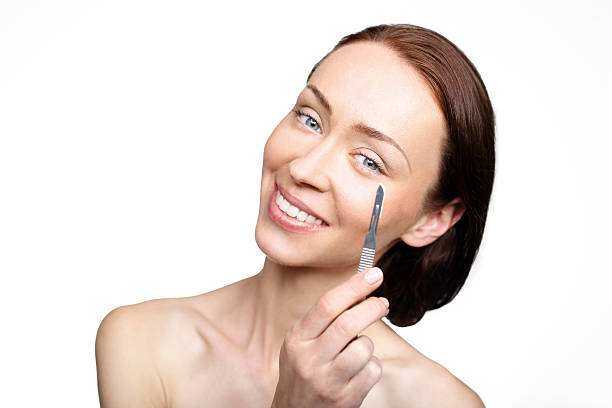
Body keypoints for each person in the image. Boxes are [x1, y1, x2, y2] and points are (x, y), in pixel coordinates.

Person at [96, 23, 495, 407]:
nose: (303, 168)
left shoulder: (439, 403)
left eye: (369, 161)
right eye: (310, 119)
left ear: (433, 220)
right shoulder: (142, 342)